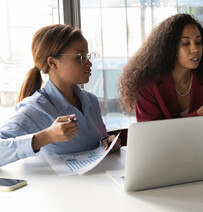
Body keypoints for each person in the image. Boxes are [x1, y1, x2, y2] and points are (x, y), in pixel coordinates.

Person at [0, 24, 120, 167]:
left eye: (87, 56)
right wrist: (45, 137)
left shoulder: (91, 101)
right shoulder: (35, 109)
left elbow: (95, 143)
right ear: (53, 63)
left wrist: (107, 141)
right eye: (79, 57)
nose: (88, 63)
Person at [119, 13, 203, 121]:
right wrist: (200, 114)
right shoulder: (147, 86)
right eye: (186, 43)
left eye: (198, 42)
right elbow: (152, 134)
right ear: (169, 48)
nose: (195, 49)